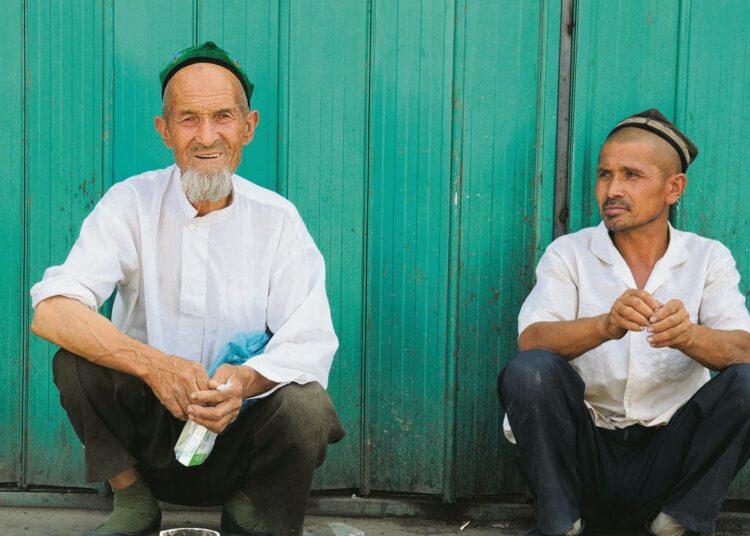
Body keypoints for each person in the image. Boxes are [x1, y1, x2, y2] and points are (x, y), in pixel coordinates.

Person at [30, 41, 344, 536]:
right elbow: (51, 310)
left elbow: (309, 344)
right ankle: (132, 500)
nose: (206, 137)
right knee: (73, 359)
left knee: (306, 405)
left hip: (238, 437)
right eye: (188, 118)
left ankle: (250, 510)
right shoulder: (130, 203)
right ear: (164, 130)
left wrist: (242, 383)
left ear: (248, 126)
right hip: (149, 435)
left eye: (222, 116)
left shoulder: (278, 221)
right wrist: (155, 367)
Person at [498, 109, 750, 536]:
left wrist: (688, 336)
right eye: (604, 175)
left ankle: (679, 520)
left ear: (674, 188)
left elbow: (743, 350)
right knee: (530, 372)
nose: (612, 189)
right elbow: (533, 340)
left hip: (667, 460)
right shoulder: (569, 253)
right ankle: (560, 520)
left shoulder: (708, 258)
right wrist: (604, 326)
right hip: (585, 456)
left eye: (632, 175)